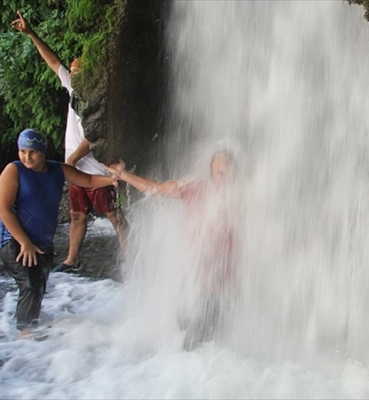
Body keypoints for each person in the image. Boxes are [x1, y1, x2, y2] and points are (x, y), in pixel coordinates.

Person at [12, 10, 128, 272]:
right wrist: (31, 34)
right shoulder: (74, 88)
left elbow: (96, 132)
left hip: (95, 168)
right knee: (77, 215)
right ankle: (71, 260)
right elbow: (53, 62)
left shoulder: (96, 96)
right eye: (72, 70)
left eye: (77, 69)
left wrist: (73, 159)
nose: (72, 73)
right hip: (76, 170)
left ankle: (133, 260)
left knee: (114, 216)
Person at [106, 149, 240, 350]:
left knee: (204, 342)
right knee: (187, 335)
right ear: (211, 171)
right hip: (194, 282)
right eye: (221, 171)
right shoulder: (195, 187)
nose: (225, 176)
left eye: (230, 172)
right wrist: (123, 174)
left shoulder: (243, 196)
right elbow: (156, 188)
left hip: (223, 288)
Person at [0, 129, 117, 339]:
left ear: (43, 152)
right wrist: (24, 242)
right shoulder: (14, 170)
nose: (27, 157)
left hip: (42, 241)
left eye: (33, 152)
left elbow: (88, 181)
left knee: (39, 285)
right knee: (30, 284)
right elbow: (3, 209)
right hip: (13, 239)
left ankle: (34, 337)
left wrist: (113, 180)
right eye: (23, 151)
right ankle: (25, 337)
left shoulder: (57, 170)